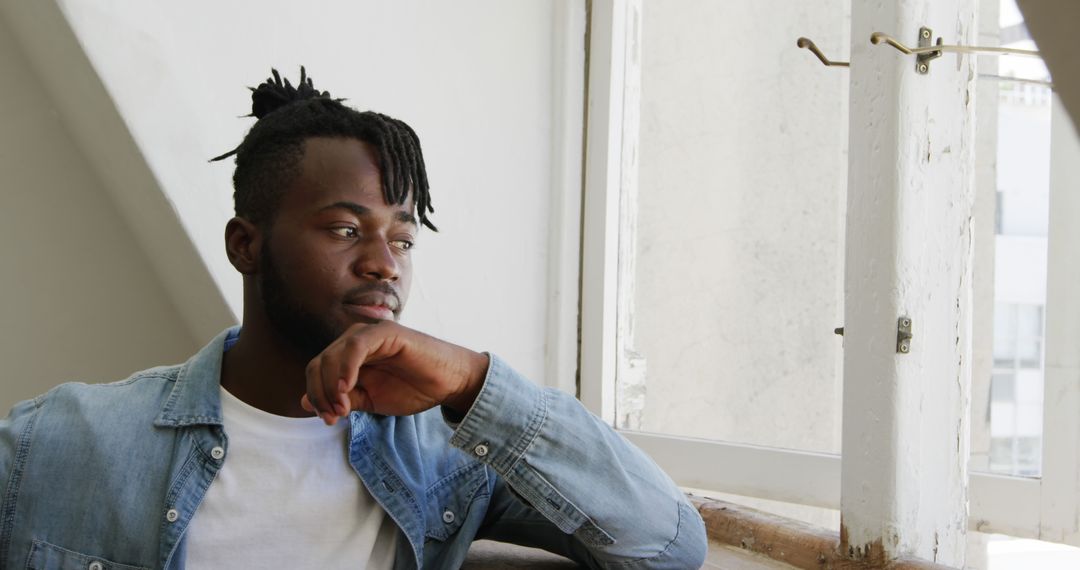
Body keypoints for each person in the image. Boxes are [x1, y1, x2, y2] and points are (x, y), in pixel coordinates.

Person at [0, 68, 706, 570]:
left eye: (401, 239)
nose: (385, 264)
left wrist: (470, 381)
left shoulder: (446, 460)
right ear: (246, 245)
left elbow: (668, 546)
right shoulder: (58, 445)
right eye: (344, 230)